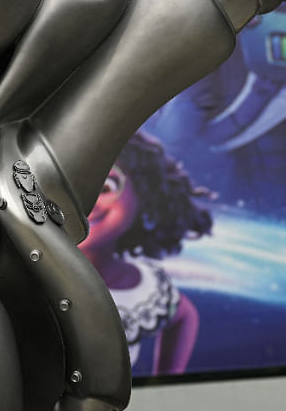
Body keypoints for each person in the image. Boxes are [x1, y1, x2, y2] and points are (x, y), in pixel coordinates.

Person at [79, 132, 212, 376]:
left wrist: (167, 384)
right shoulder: (25, 274)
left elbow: (183, 314)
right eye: (69, 186)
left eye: (106, 187)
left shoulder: (145, 288)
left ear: (145, 195)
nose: (85, 201)